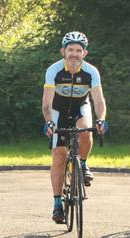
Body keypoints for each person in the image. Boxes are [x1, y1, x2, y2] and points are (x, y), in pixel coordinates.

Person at [41, 31, 107, 224]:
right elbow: (46, 102)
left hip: (80, 107)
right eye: (71, 50)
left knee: (86, 130)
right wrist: (48, 121)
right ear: (63, 51)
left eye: (79, 50)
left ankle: (84, 164)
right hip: (58, 111)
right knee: (59, 156)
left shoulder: (91, 71)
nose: (74, 54)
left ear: (84, 53)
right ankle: (57, 203)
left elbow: (98, 99)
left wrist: (101, 119)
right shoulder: (54, 70)